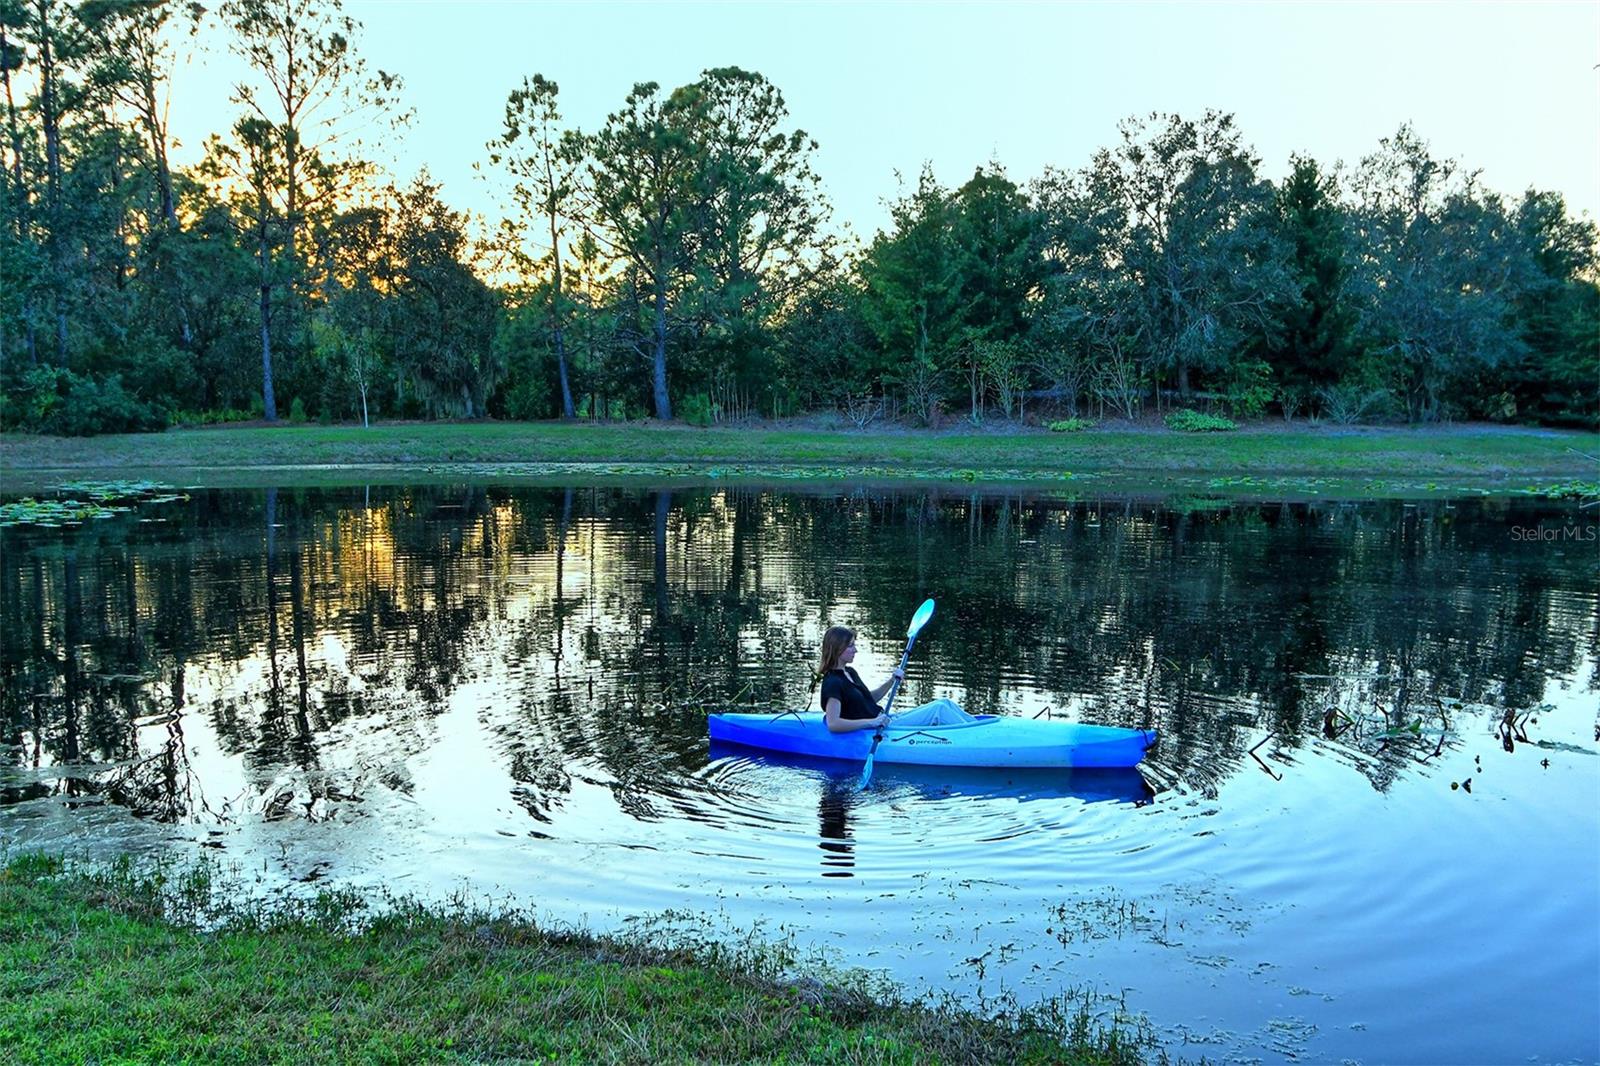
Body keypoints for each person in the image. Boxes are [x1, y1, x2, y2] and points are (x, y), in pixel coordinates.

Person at [816, 625, 975, 734]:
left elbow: (868, 699)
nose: (855, 650)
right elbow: (833, 724)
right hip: (880, 728)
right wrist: (872, 722)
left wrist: (891, 681)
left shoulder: (849, 672)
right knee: (938, 710)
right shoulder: (832, 682)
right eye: (851, 646)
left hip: (886, 719)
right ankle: (975, 735)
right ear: (837, 648)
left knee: (945, 703)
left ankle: (980, 728)